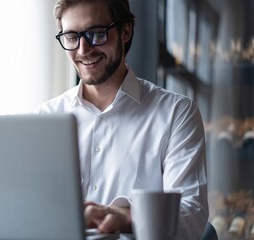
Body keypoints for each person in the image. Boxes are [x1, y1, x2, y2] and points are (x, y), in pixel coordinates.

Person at [36, 0, 209, 239]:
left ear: (125, 31)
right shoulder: (46, 118)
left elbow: (192, 215)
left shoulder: (177, 113)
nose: (83, 50)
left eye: (96, 34)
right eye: (71, 37)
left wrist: (128, 219)